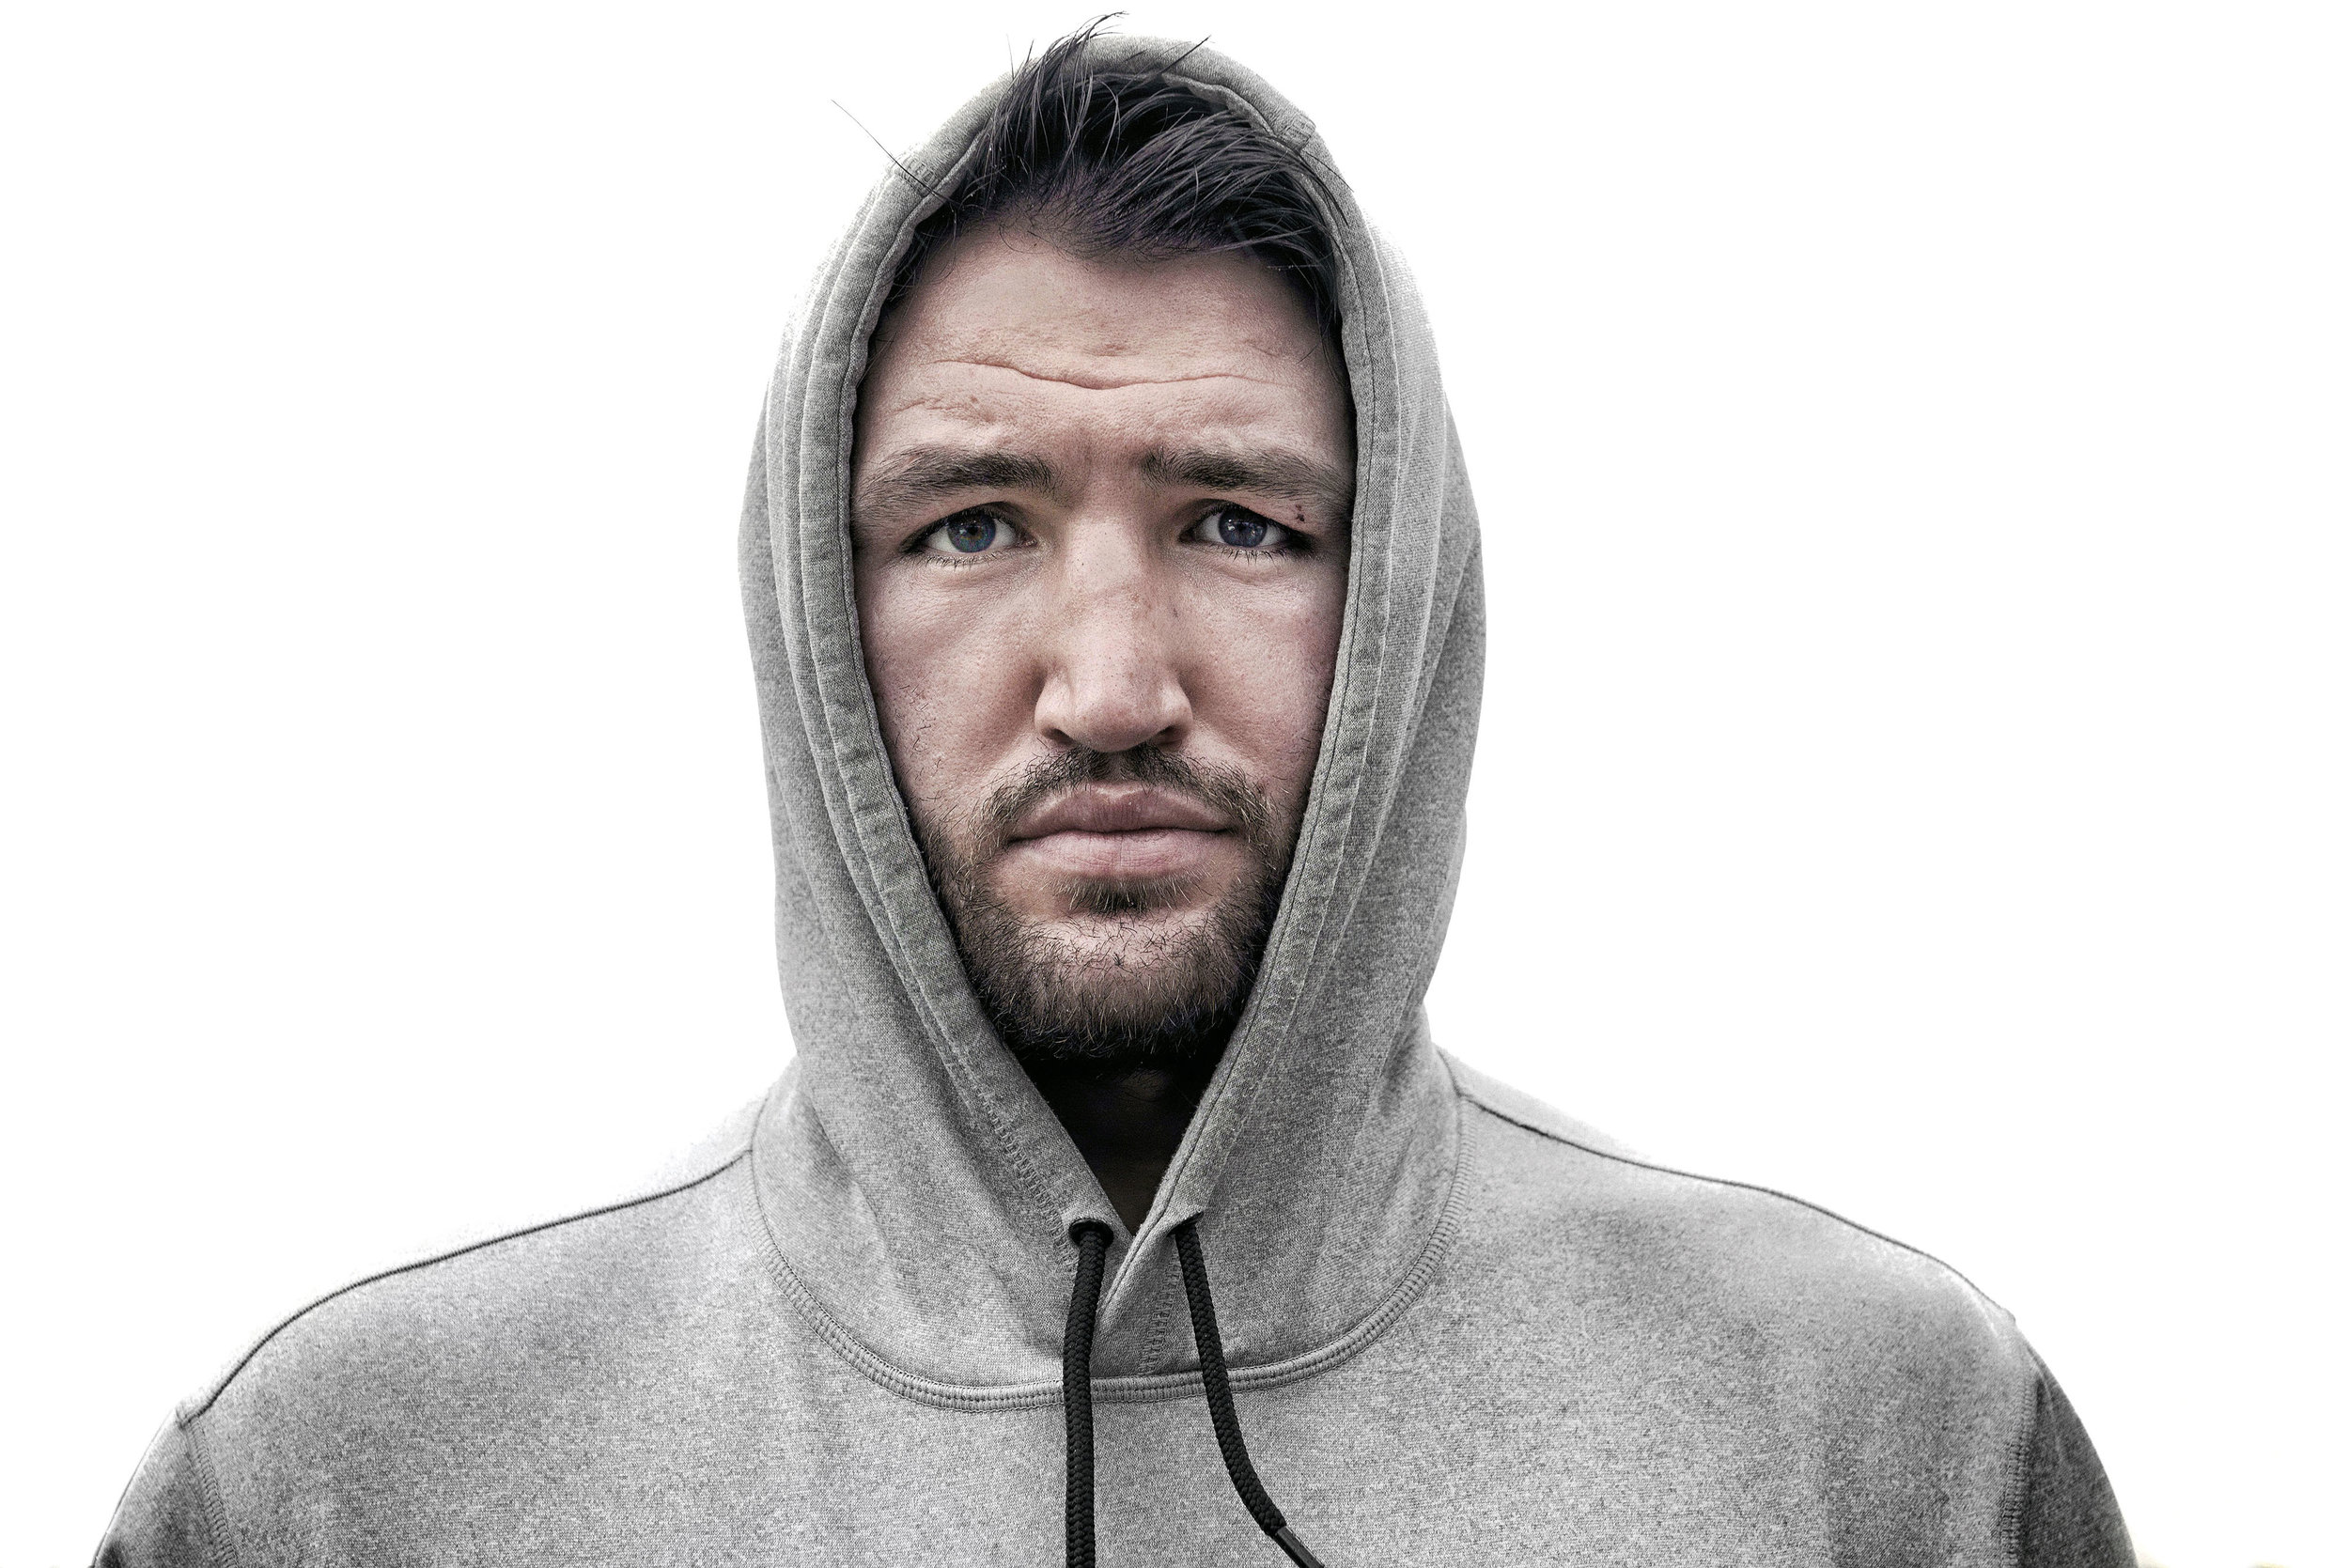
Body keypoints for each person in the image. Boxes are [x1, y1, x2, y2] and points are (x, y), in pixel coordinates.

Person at [99, 27, 2133, 1566]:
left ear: (1402, 593)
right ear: (812, 603)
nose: (1109, 686)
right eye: (972, 526)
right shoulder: (349, 1483)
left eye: (1237, 523)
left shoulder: (1865, 1439)